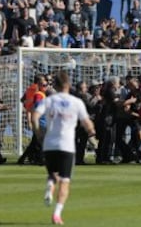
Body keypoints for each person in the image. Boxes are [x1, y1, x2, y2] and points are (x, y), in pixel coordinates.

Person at [32, 71, 97, 225]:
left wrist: (39, 133)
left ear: (55, 85)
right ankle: (57, 214)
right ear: (68, 85)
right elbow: (87, 123)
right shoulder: (76, 102)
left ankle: (49, 186)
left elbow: (34, 115)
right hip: (67, 145)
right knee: (65, 180)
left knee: (53, 174)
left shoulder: (49, 100)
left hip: (49, 144)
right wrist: (92, 132)